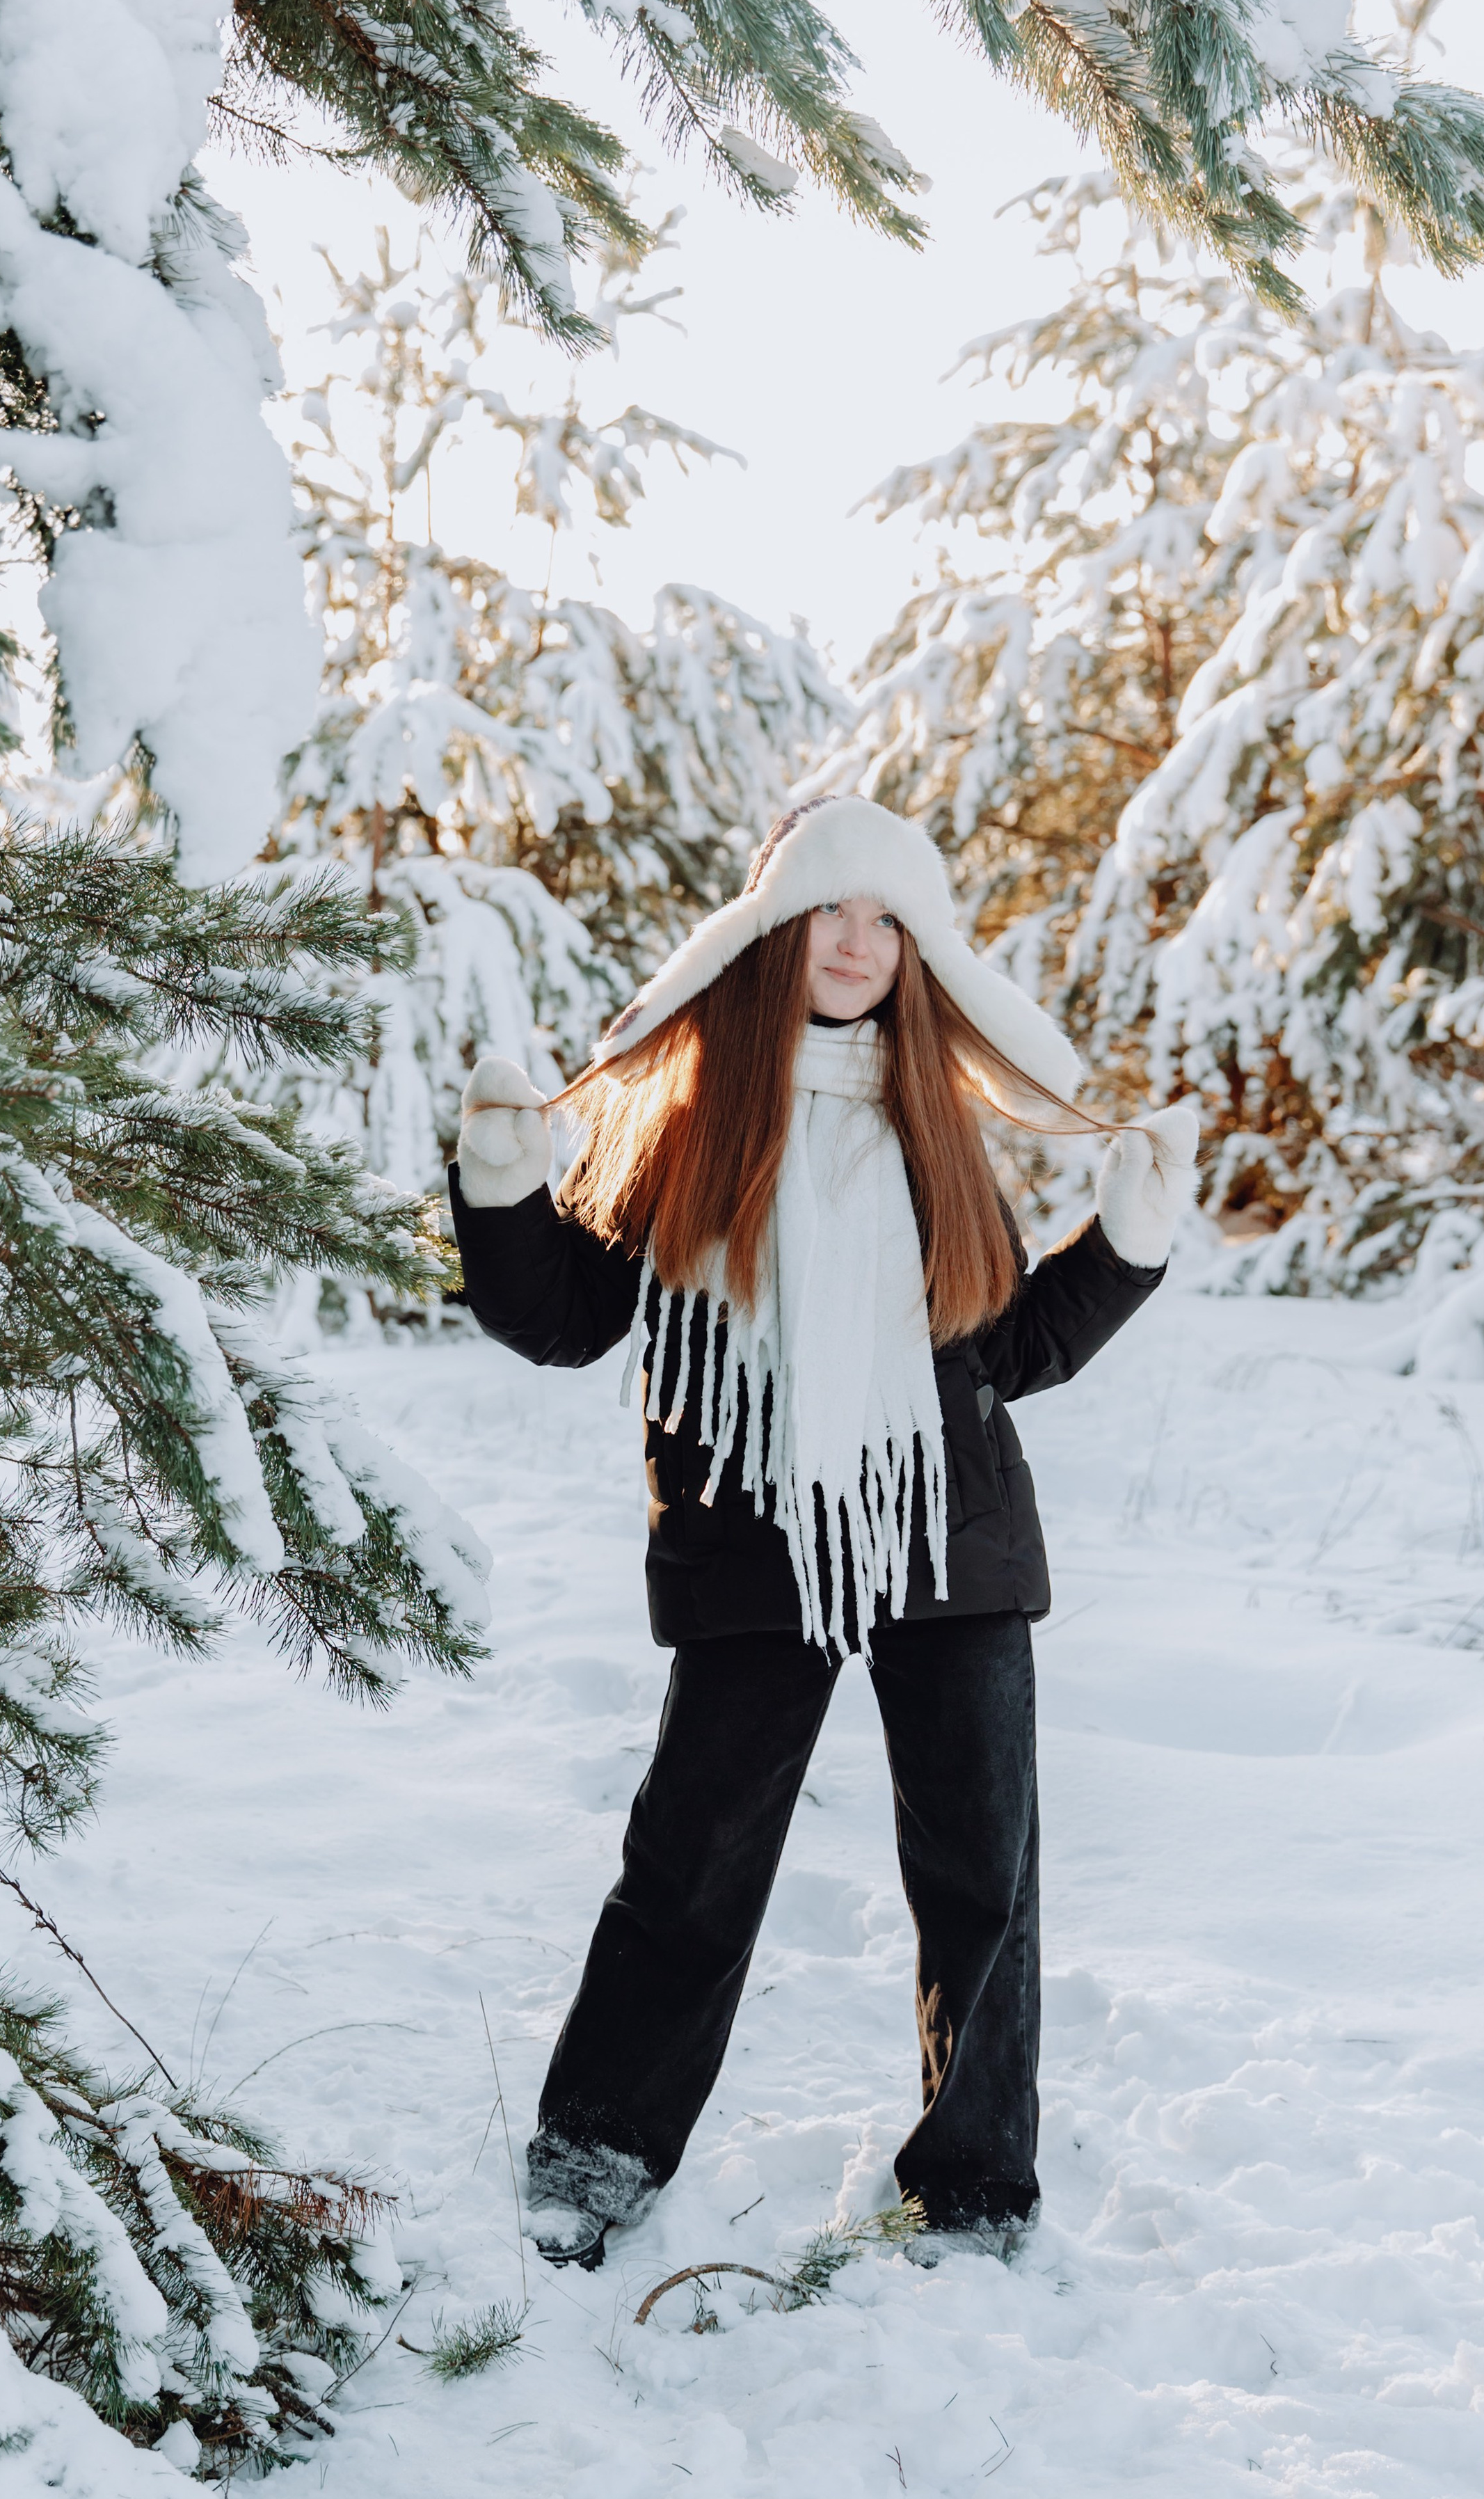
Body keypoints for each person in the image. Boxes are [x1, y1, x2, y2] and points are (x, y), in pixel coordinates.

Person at [449, 796, 1196, 2269]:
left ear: (915, 952)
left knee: (983, 1878)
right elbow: (564, 1322)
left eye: (884, 920)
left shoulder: (936, 1130)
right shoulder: (685, 1130)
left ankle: (973, 2185)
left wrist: (1124, 1243)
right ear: (770, 929)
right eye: (828, 912)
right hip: (751, 1543)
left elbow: (1009, 1352)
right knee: (692, 1861)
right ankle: (597, 2151)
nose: (854, 944)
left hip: (949, 1537)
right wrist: (501, 1187)